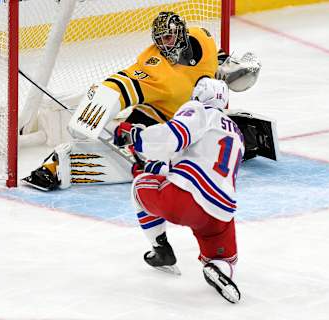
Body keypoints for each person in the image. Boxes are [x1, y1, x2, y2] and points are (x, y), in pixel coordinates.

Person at [25, 11, 260, 191]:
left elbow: (214, 61)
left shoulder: (203, 38)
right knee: (145, 167)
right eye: (159, 40)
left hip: (194, 121)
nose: (164, 45)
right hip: (156, 121)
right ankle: (56, 167)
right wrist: (96, 109)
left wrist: (235, 69)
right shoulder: (155, 66)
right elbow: (122, 83)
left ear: (182, 34)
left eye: (168, 37)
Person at [118, 78, 244, 303]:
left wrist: (136, 138)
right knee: (224, 258)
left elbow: (173, 136)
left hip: (185, 197)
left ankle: (161, 250)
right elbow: (201, 158)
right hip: (222, 211)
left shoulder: (199, 110)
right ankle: (219, 269)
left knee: (139, 184)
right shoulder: (237, 133)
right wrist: (160, 164)